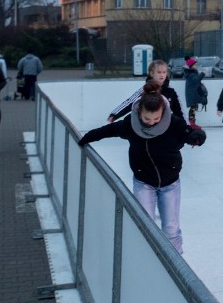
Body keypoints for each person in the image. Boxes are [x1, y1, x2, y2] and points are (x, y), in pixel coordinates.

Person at [78, 80, 206, 253]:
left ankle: (176, 263)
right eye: (147, 118)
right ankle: (147, 257)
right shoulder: (130, 125)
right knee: (145, 224)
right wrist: (87, 137)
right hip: (143, 182)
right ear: (139, 112)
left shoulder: (173, 123)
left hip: (170, 183)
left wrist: (197, 136)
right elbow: (107, 131)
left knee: (171, 227)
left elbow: (188, 133)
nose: (152, 122)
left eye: (156, 118)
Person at [107, 59, 184, 123]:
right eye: (159, 72)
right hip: (146, 126)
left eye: (164, 72)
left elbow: (179, 111)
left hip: (164, 127)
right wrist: (115, 114)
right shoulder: (145, 89)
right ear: (151, 73)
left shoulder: (171, 91)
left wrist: (185, 129)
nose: (162, 75)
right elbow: (130, 102)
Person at [183, 57, 206, 129]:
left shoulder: (192, 73)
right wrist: (202, 74)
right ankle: (192, 123)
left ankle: (192, 123)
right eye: (195, 65)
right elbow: (196, 80)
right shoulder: (191, 74)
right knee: (193, 108)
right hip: (192, 94)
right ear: (190, 66)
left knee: (194, 107)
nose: (196, 66)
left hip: (193, 93)